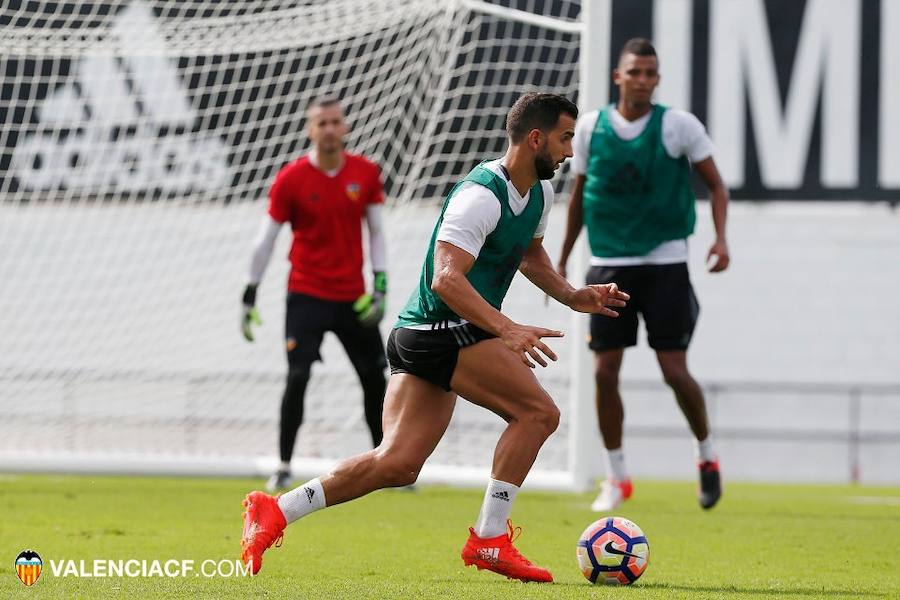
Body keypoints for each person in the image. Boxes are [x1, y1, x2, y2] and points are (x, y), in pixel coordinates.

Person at [239, 92, 630, 582]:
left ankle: (275, 511)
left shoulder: (540, 194)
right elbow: (446, 278)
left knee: (397, 464)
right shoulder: (481, 195)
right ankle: (489, 539)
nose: (571, 151)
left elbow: (529, 257)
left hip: (425, 334)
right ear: (536, 139)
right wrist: (506, 329)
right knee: (537, 413)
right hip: (441, 332)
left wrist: (574, 297)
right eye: (565, 138)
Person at [557, 38, 730, 512]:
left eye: (650, 73)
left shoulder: (678, 126)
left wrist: (720, 239)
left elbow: (716, 185)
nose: (642, 80)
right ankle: (615, 476)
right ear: (618, 76)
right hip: (609, 264)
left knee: (674, 371)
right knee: (604, 371)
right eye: (634, 71)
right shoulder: (590, 129)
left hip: (665, 262)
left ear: (657, 79)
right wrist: (564, 256)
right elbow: (579, 196)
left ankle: (706, 454)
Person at [241, 95, 389, 492]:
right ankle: (285, 465)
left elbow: (376, 232)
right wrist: (250, 291)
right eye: (321, 123)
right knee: (298, 375)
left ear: (345, 127)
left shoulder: (365, 173)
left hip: (353, 297)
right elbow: (265, 240)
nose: (328, 129)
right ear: (310, 129)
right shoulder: (290, 179)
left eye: (334, 122)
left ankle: (386, 464)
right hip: (305, 294)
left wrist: (380, 284)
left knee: (376, 377)